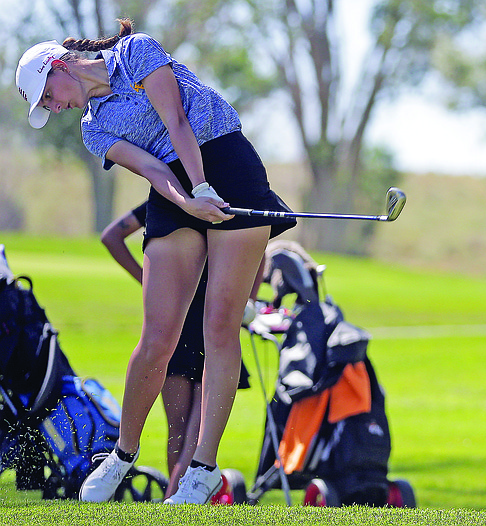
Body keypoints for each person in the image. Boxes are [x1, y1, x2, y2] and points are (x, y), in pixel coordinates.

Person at [16, 18, 296, 504]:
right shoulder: (92, 127)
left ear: (58, 65)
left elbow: (178, 122)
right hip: (171, 184)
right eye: (46, 106)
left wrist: (205, 188)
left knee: (219, 326)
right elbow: (149, 165)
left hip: (225, 160)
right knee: (157, 337)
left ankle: (203, 468)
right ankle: (122, 455)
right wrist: (189, 202)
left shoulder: (136, 52)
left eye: (48, 96)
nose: (54, 107)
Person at [100, 201, 258, 497]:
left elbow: (111, 236)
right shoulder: (175, 199)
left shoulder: (179, 197)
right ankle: (179, 499)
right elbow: (111, 236)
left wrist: (156, 285)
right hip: (201, 324)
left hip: (198, 324)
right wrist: (149, 282)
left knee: (185, 431)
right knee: (186, 432)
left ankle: (176, 498)